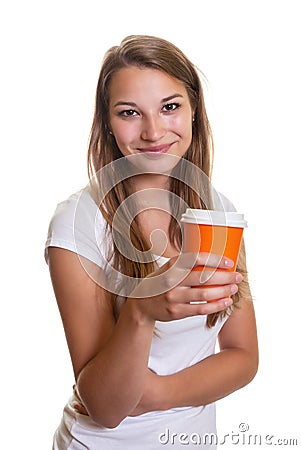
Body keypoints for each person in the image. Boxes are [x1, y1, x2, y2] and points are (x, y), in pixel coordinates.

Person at [45, 35, 258, 449]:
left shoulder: (216, 210)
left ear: (194, 108)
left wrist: (156, 393)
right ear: (107, 121)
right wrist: (141, 310)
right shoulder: (78, 222)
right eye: (130, 113)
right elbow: (106, 409)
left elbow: (243, 356)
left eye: (170, 106)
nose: (153, 130)